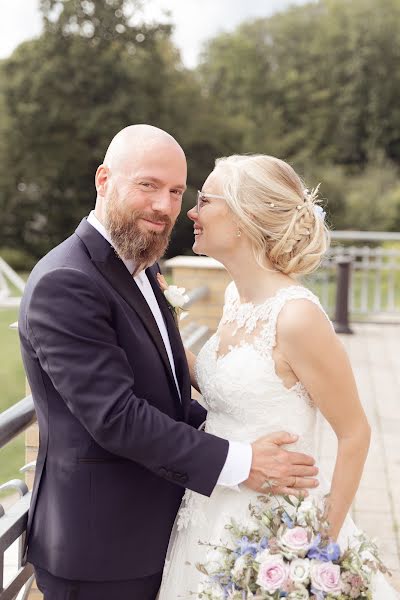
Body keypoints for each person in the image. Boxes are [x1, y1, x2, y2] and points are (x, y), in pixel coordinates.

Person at [18, 127, 319, 600]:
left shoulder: (142, 265)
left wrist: (237, 426)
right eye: (148, 185)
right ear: (103, 180)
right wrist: (242, 460)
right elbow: (117, 418)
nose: (164, 205)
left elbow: (164, 390)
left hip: (158, 532)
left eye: (176, 191)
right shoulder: (67, 282)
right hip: (100, 549)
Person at [158, 154, 399, 599]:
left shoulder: (297, 317)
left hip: (275, 529)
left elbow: (355, 433)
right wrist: (155, 327)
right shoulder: (236, 297)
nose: (191, 212)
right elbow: (222, 383)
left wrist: (318, 544)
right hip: (212, 509)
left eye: (204, 200)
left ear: (244, 218)